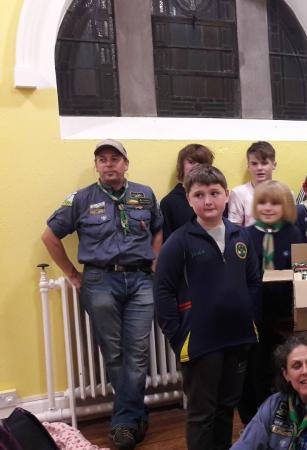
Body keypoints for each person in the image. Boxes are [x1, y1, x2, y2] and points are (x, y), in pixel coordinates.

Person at [41, 139, 163, 450]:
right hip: (99, 281)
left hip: (139, 280)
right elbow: (50, 235)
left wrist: (155, 258)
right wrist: (71, 274)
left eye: (115, 158)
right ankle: (134, 416)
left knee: (137, 354)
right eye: (102, 159)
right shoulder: (81, 199)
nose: (109, 164)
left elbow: (158, 228)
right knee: (114, 354)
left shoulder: (145, 194)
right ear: (96, 166)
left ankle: (125, 421)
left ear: (126, 164)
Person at [155, 165, 260, 450]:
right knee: (203, 413)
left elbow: (253, 280)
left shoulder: (242, 236)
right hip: (201, 342)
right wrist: (177, 335)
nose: (208, 201)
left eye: (214, 193)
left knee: (227, 408)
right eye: (199, 195)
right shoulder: (179, 242)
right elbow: (162, 290)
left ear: (226, 195)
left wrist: (245, 314)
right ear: (189, 200)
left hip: (237, 337)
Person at [238, 181, 303, 425]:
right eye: (262, 202)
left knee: (283, 363)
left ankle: (285, 411)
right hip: (256, 313)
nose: (268, 207)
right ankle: (255, 416)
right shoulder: (247, 235)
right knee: (257, 364)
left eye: (275, 203)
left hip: (284, 312)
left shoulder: (292, 233)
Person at [160, 143, 215, 242]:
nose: (197, 166)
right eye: (191, 162)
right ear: (182, 165)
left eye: (202, 163)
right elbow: (167, 243)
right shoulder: (169, 203)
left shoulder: (217, 198)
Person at [229, 141, 278, 226]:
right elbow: (235, 228)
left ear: (274, 165)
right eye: (254, 164)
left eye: (264, 163)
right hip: (247, 239)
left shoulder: (285, 193)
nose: (259, 168)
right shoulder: (238, 193)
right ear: (248, 166)